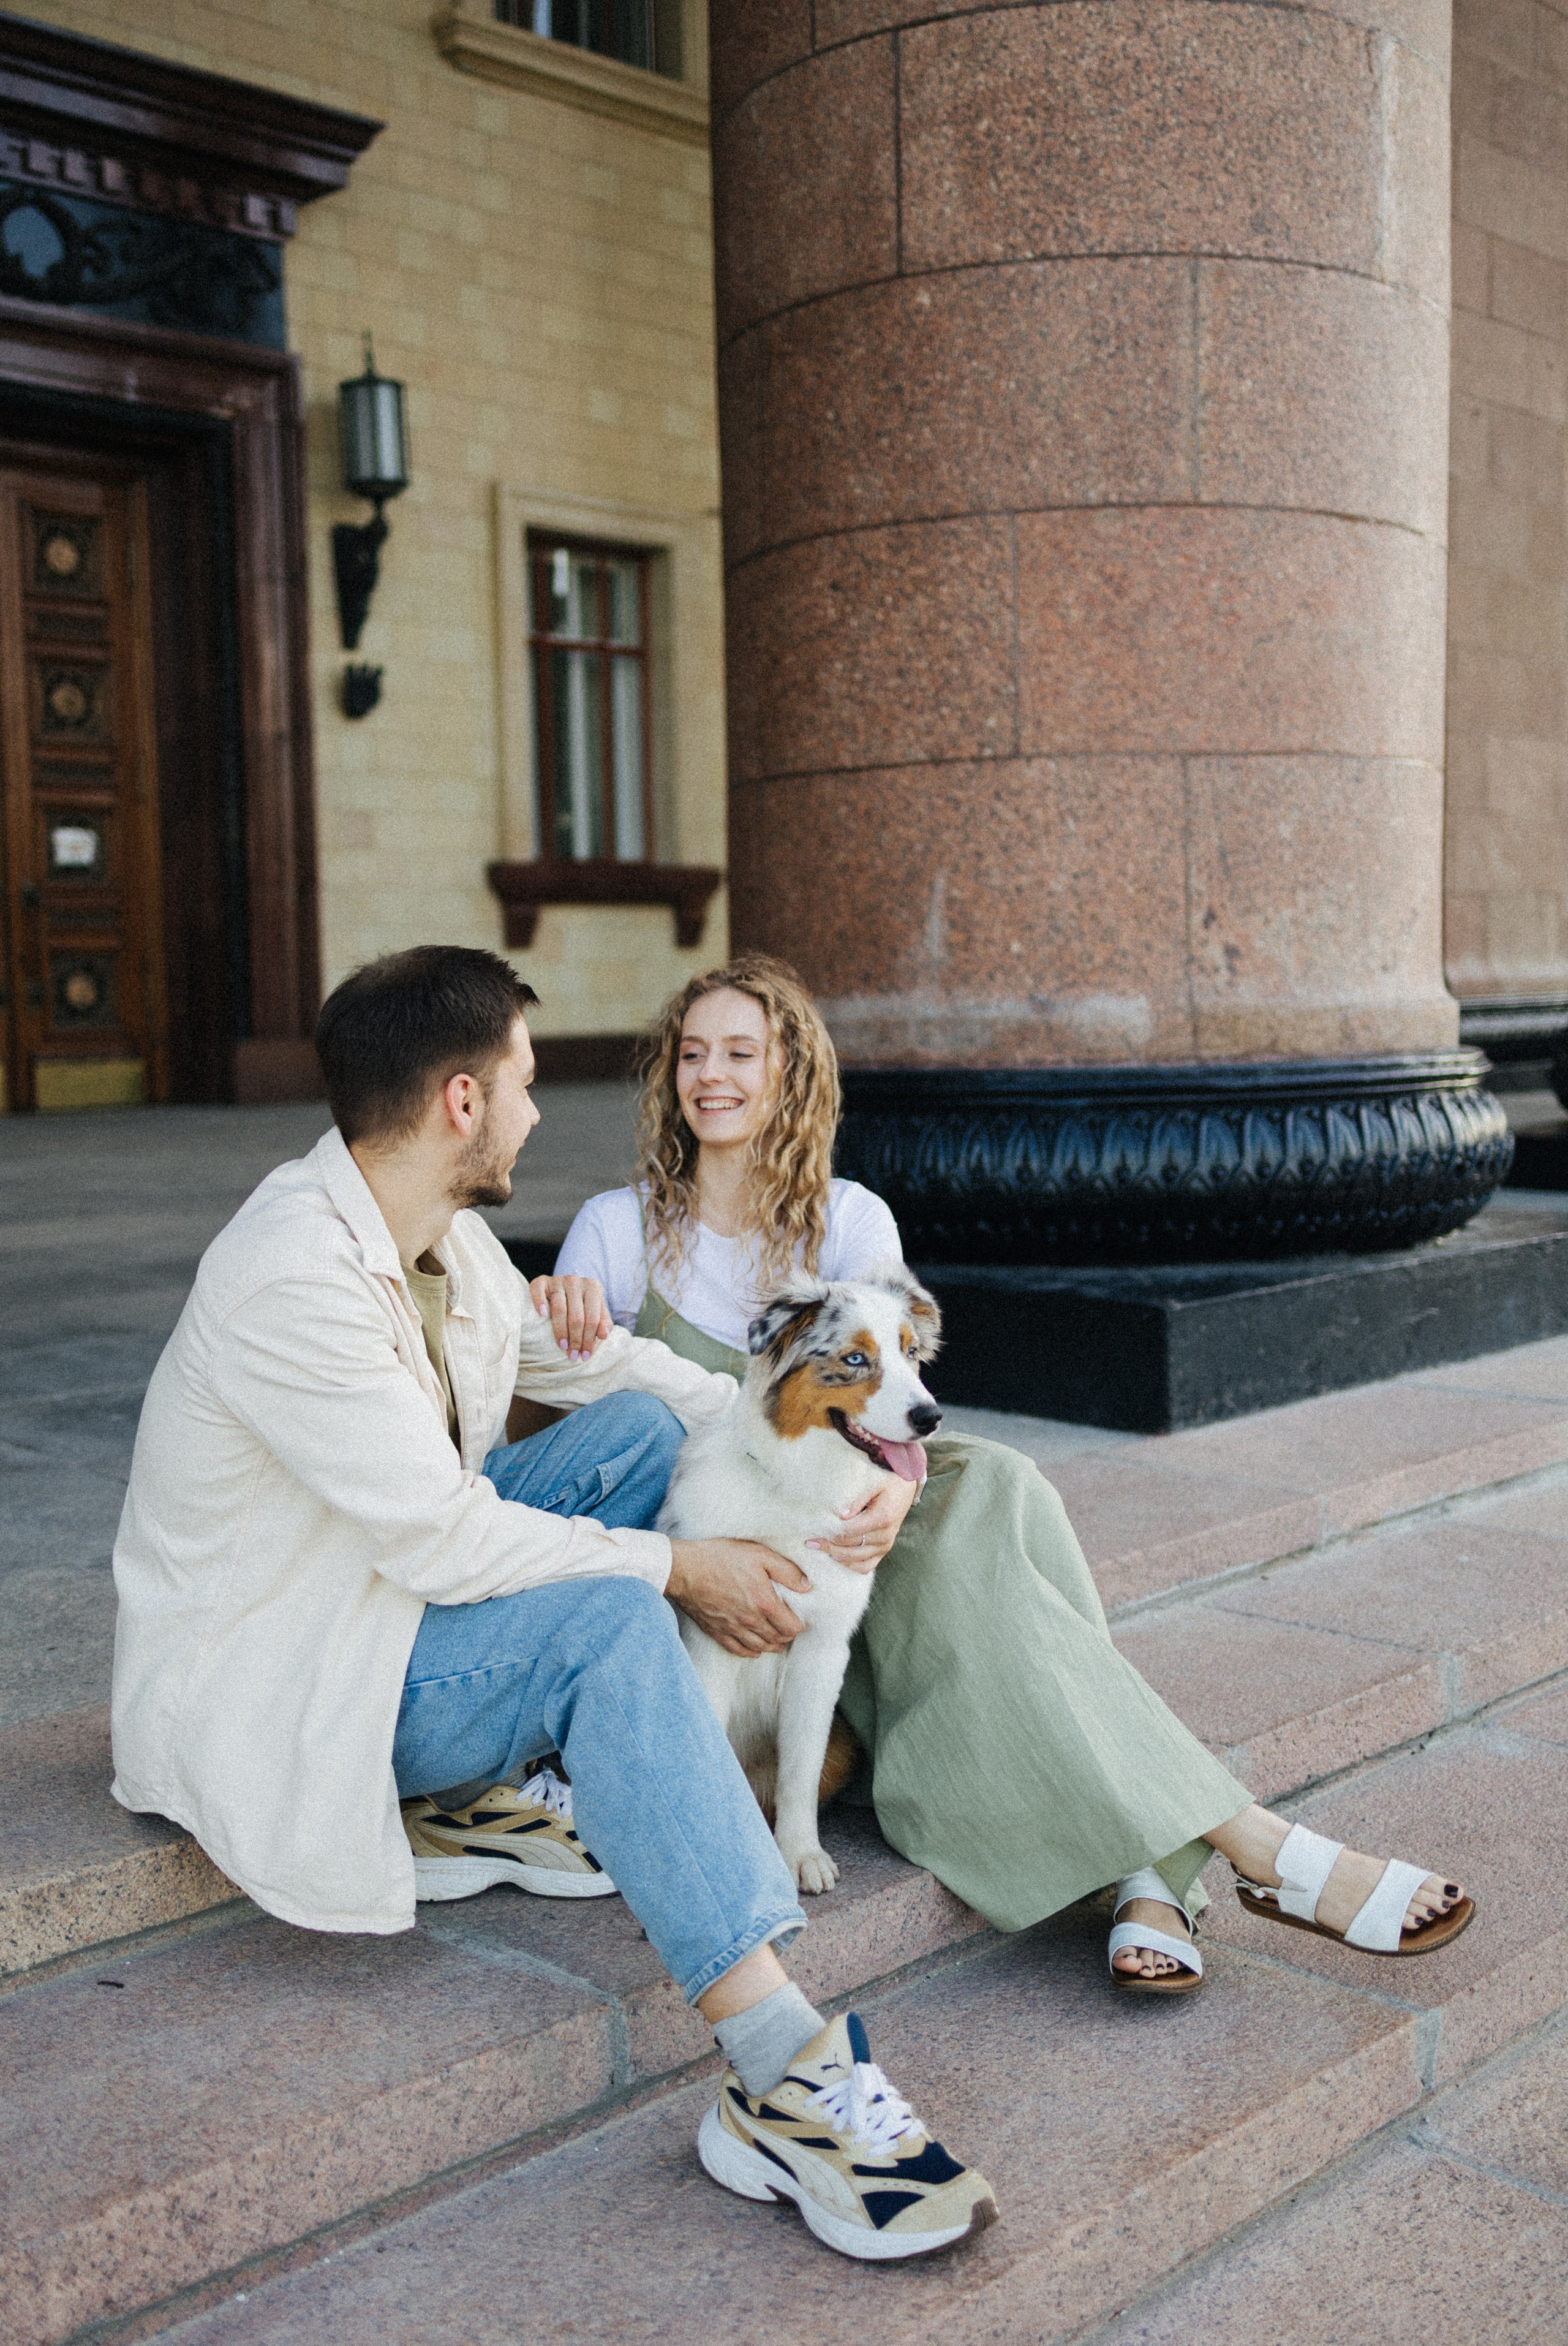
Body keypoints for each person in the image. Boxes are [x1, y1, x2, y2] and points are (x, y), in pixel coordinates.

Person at [109, 945, 998, 2263]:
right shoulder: (291, 1276)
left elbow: (614, 1371)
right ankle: (780, 2076)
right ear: (461, 1103)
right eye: (526, 1082)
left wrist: (846, 1459)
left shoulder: (436, 1235)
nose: (539, 1110)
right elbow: (447, 1539)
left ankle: (501, 1785)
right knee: (608, 1614)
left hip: (371, 1603)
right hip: (292, 1672)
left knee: (637, 1428)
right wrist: (686, 1569)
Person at [553, 954, 1474, 1993]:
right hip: (728, 1534)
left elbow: (905, 1388)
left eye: (739, 1053)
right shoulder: (616, 1226)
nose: (709, 1076)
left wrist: (897, 1491)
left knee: (992, 1486)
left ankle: (1193, 1857)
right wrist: (562, 1320)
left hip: (852, 1501)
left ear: (791, 1075)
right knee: (992, 1573)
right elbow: (584, 1415)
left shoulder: (849, 1218)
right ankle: (1197, 1863)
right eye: (691, 1054)